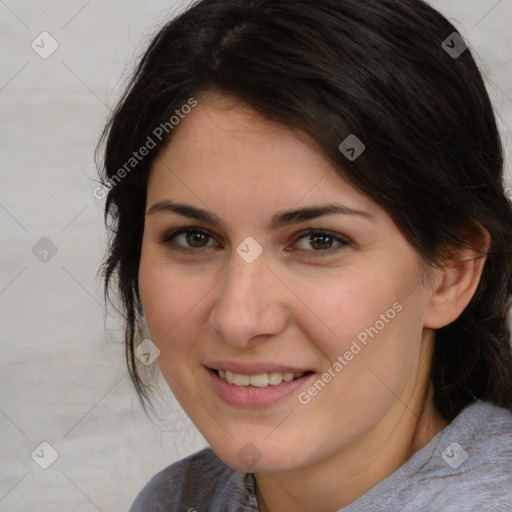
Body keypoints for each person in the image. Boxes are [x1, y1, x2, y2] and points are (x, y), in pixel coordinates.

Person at [96, 0, 512, 510]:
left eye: (319, 240)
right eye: (194, 238)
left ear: (452, 272)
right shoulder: (175, 500)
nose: (239, 319)